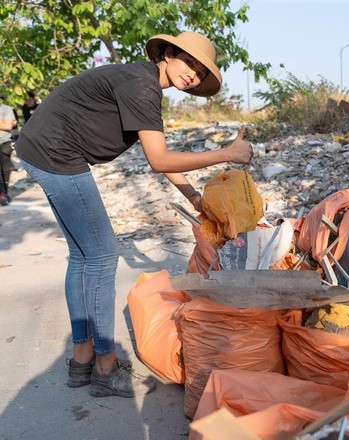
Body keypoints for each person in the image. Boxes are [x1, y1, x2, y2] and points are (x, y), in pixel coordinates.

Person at [14, 31, 254, 398]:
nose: (192, 74)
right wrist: (227, 154)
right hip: (57, 154)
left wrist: (195, 199)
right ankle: (105, 368)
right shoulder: (143, 87)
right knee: (103, 256)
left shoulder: (141, 82)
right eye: (189, 62)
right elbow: (160, 161)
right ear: (169, 55)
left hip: (41, 148)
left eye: (200, 73)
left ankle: (82, 361)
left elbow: (158, 153)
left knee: (83, 256)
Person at [0, 97, 18, 205]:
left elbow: (9, 125)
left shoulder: (6, 108)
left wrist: (6, 124)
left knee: (6, 169)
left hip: (5, 142)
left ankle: (4, 193)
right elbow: (5, 124)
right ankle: (2, 193)